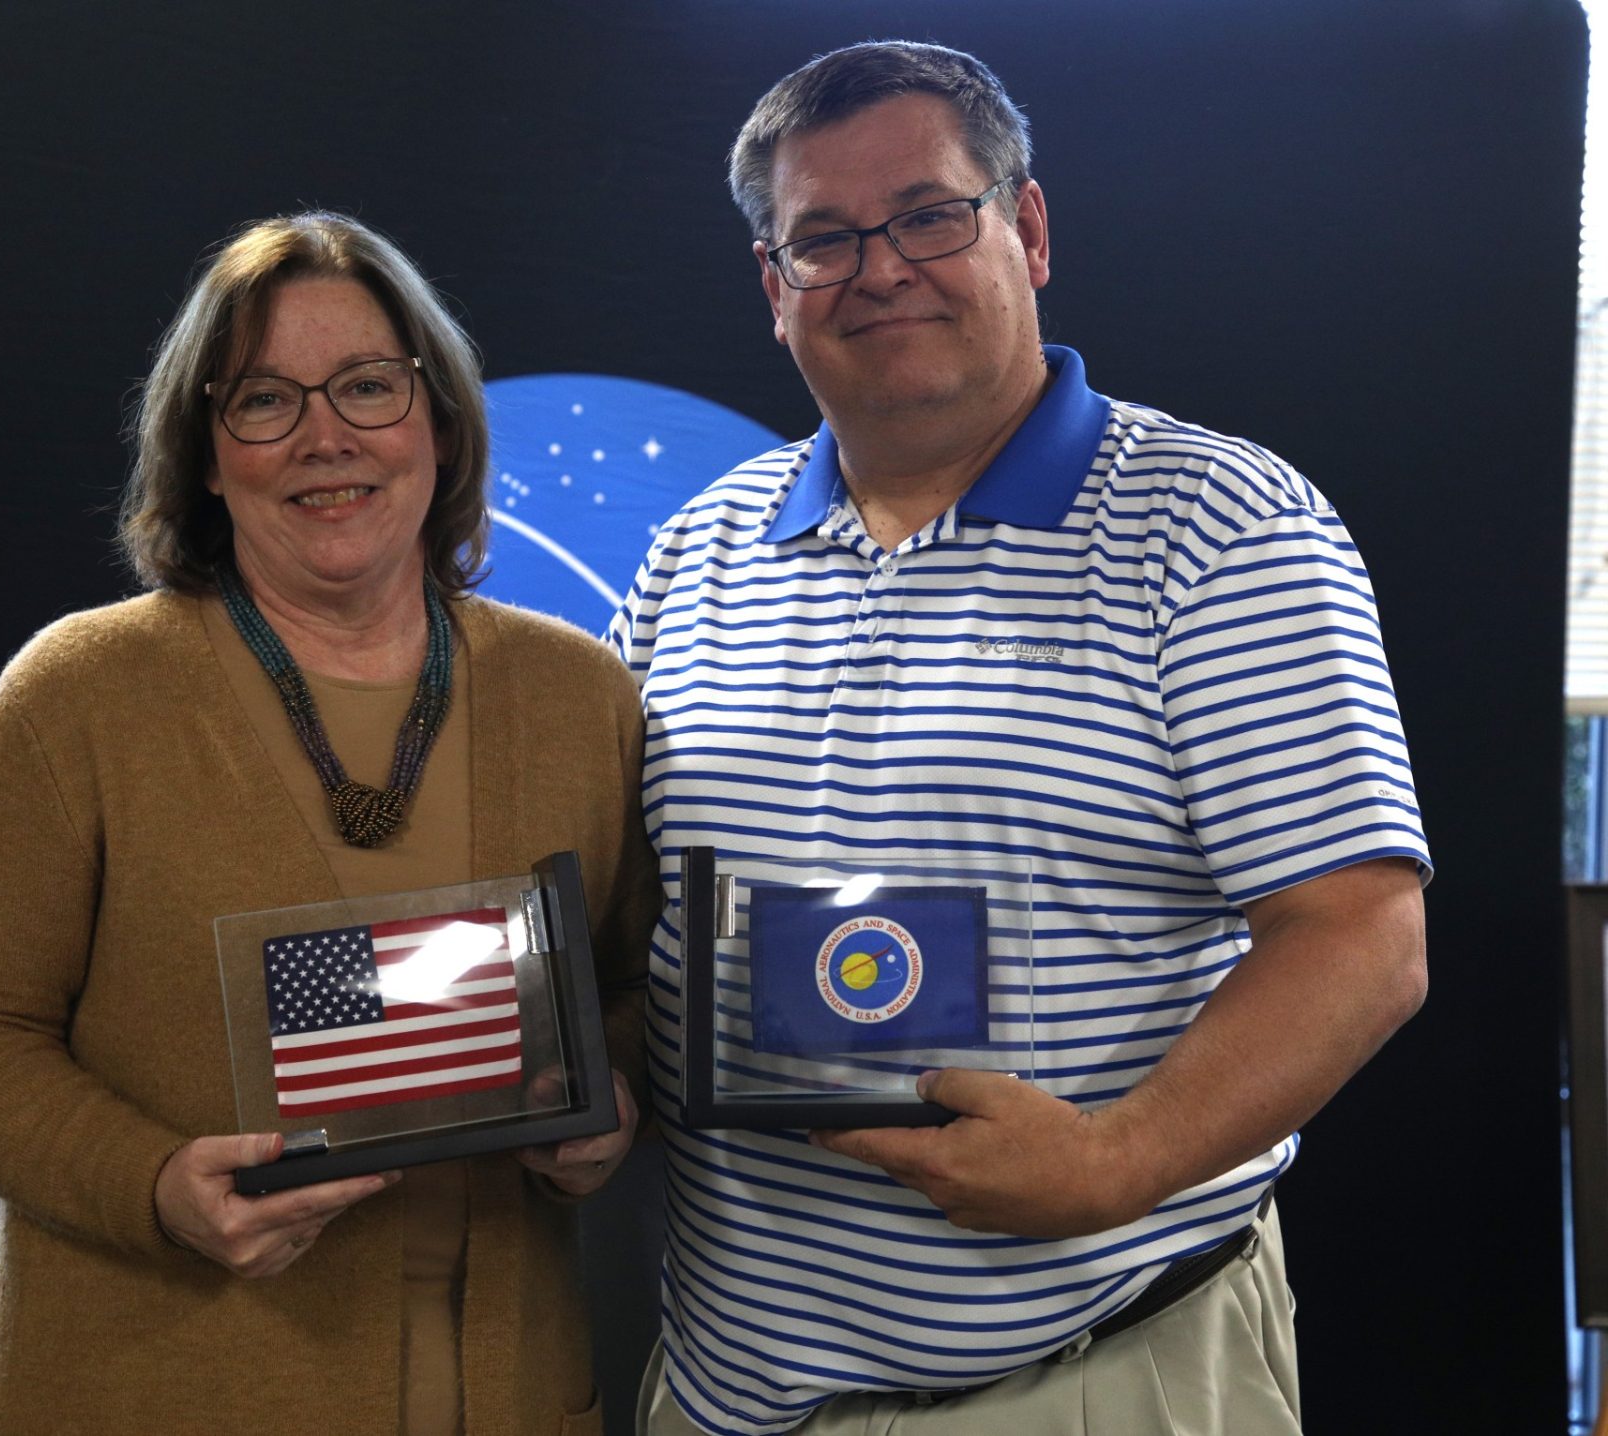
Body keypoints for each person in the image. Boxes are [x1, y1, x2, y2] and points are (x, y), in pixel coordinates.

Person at [611, 41, 1430, 1436]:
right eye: (822, 239)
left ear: (1027, 229)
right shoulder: (699, 548)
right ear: (774, 287)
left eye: (928, 213)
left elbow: (1361, 938)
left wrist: (1118, 1160)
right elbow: (631, 908)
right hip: (725, 1388)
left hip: (1083, 1379)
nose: (879, 268)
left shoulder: (1219, 528)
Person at [0, 211, 658, 1436]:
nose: (325, 436)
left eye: (368, 386)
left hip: (506, 1391)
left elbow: (630, 985)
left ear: (440, 422)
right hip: (158, 1388)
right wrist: (151, 1184)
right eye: (263, 400)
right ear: (203, 449)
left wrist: (608, 1094)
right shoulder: (77, 694)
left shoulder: (579, 697)